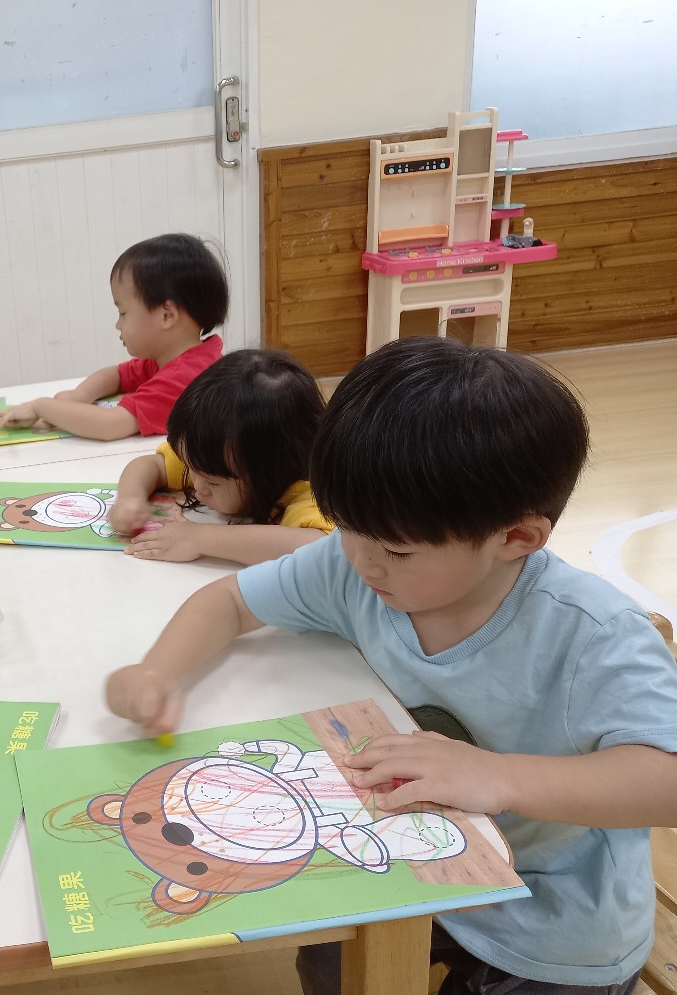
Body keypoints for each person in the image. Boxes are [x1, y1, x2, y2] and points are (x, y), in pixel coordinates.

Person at [104, 337, 677, 994]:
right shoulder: (359, 562)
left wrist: (498, 776)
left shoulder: (590, 634)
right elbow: (230, 601)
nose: (362, 561)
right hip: (415, 862)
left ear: (516, 538)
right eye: (348, 528)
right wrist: (158, 673)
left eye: (397, 551)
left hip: (554, 921)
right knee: (329, 958)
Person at [0, 233, 228, 440]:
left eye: (123, 312)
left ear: (167, 315)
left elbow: (110, 425)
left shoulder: (188, 378)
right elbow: (116, 375)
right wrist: (78, 395)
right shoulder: (173, 358)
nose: (118, 324)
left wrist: (41, 407)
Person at [107, 349, 332, 564]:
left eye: (213, 482)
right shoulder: (211, 458)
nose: (197, 485)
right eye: (190, 467)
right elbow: (150, 465)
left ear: (271, 473)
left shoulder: (307, 492)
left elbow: (319, 550)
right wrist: (130, 499)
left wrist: (198, 539)